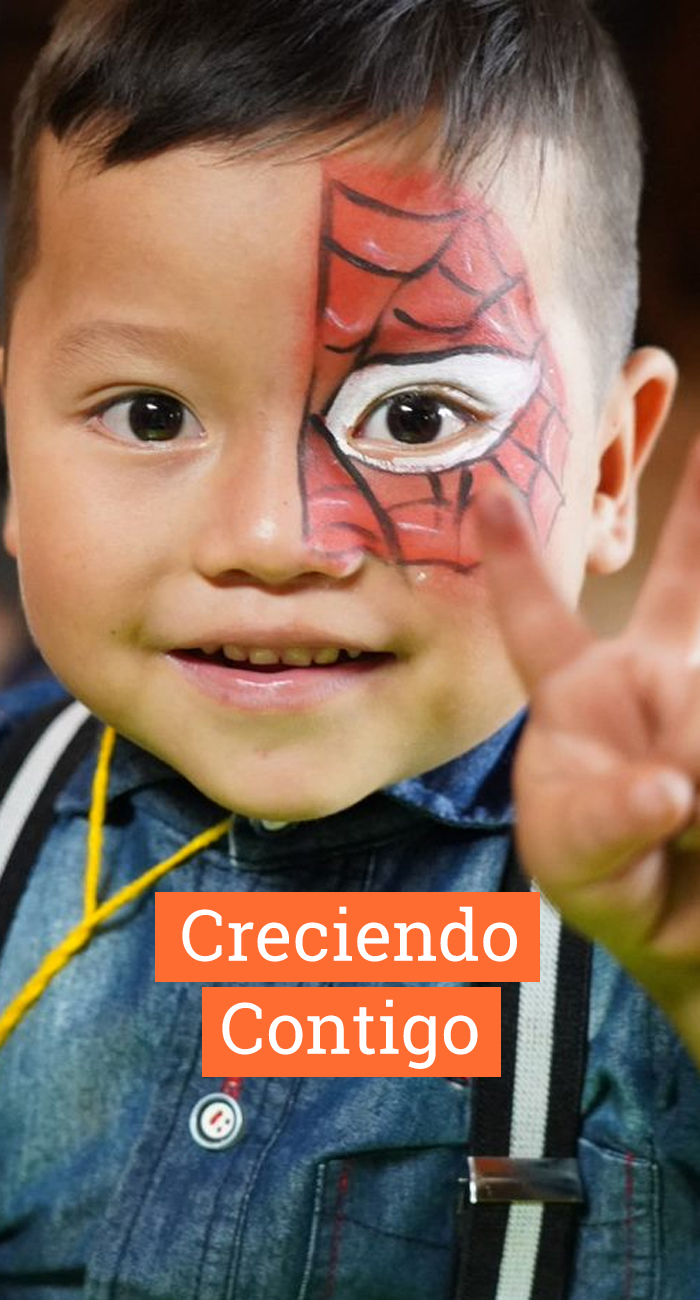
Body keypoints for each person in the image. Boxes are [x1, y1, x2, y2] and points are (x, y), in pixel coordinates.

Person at [0, 0, 699, 1295]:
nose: (273, 538)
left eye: (418, 417)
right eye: (149, 413)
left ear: (609, 471)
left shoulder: (661, 910)